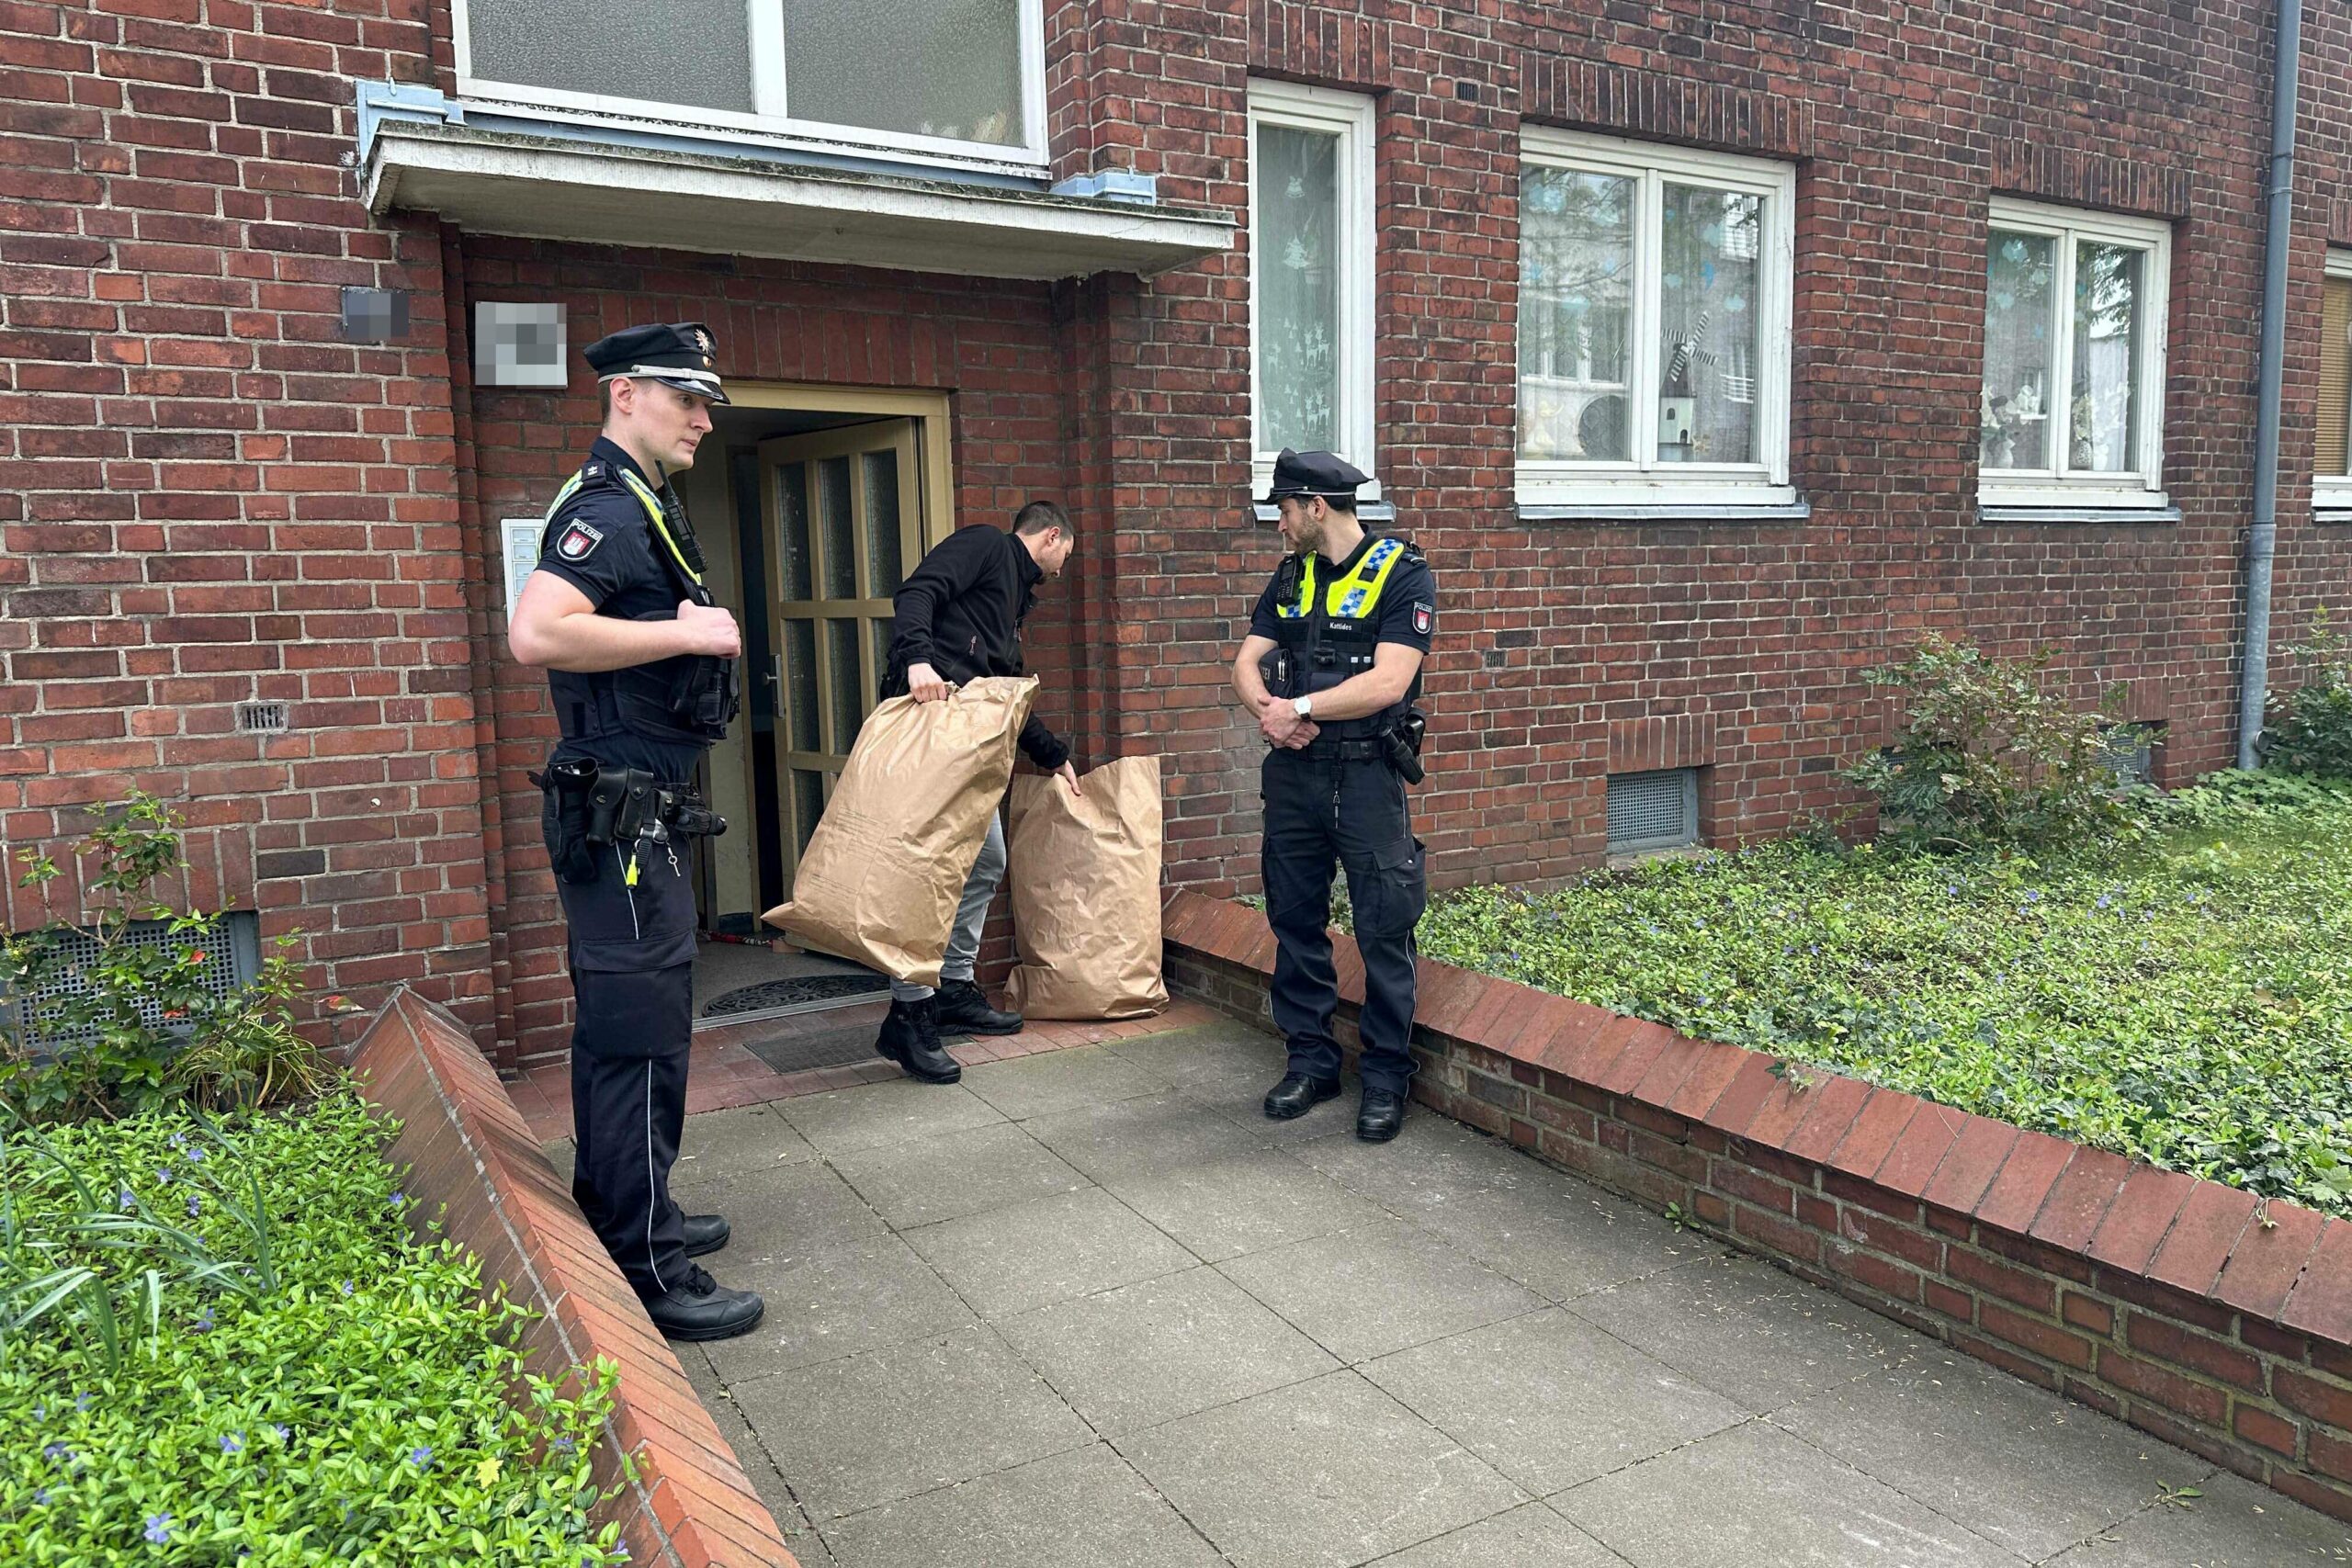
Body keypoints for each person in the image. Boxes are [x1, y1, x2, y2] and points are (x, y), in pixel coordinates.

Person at [507, 321, 764, 1342]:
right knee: (633, 1035)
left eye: (706, 401)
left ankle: (635, 1204)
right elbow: (537, 631)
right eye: (686, 397)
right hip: (618, 825)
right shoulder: (610, 511)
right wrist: (686, 630)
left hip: (635, 821)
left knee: (646, 1028)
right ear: (626, 395)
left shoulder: (644, 505)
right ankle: (642, 1263)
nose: (704, 417)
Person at [1229, 449, 1436, 1142]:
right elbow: (1245, 660)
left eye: (1285, 511)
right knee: (1294, 920)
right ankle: (1312, 1061)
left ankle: (1384, 1077)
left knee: (1383, 926)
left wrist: (1303, 705)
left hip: (1367, 774)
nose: (1280, 527)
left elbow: (1388, 682)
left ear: (1317, 506)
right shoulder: (1290, 575)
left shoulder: (1403, 574)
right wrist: (1270, 711)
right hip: (1294, 775)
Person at [872, 501, 1081, 1083]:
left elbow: (1004, 692)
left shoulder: (1013, 598)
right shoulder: (988, 546)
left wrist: (1053, 754)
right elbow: (916, 593)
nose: (1066, 563)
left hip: (969, 746)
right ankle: (907, 1015)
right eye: (1068, 551)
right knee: (927, 872)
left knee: (987, 859)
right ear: (1051, 536)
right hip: (932, 731)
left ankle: (952, 989)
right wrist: (916, 659)